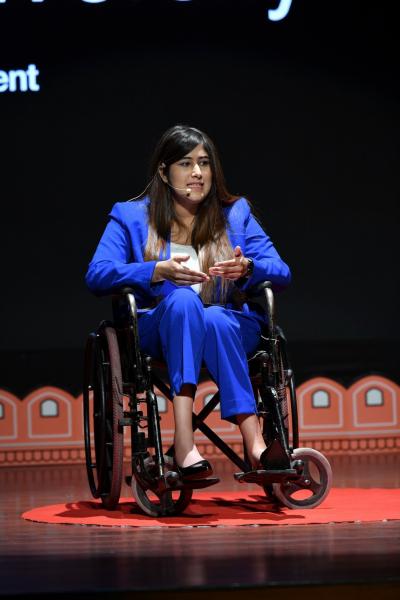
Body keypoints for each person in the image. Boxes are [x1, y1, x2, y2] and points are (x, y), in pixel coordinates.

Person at [85, 124, 291, 481]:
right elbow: (97, 274)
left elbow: (281, 270)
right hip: (160, 331)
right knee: (183, 301)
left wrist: (248, 267)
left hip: (227, 328)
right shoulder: (131, 216)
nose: (197, 172)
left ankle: (256, 444)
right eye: (185, 163)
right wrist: (154, 271)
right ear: (164, 173)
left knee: (214, 318)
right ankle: (183, 441)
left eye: (204, 163)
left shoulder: (234, 214)